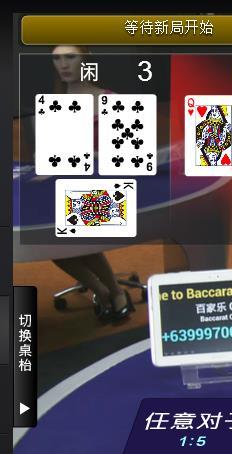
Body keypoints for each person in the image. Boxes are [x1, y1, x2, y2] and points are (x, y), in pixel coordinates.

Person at [47, 45, 134, 322]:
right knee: (47, 241)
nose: (63, 64)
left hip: (107, 188)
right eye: (57, 58)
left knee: (71, 233)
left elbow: (127, 155)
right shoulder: (54, 102)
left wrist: (90, 156)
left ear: (85, 60)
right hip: (65, 186)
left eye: (70, 56)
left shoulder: (109, 99)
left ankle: (114, 292)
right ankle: (104, 289)